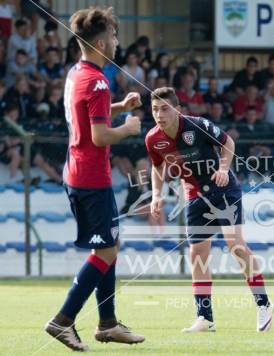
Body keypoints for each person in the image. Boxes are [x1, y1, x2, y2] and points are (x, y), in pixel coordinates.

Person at [44, 7, 145, 351]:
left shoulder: (78, 73)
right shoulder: (98, 80)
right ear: (102, 42)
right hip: (91, 177)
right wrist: (128, 127)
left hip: (78, 173)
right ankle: (63, 320)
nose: (117, 42)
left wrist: (118, 106)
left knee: (109, 247)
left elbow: (87, 114)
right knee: (106, 251)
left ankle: (108, 323)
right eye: (114, 37)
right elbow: (100, 136)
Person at [146, 87, 273, 333]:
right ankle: (205, 318)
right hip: (195, 195)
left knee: (235, 244)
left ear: (177, 110)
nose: (159, 114)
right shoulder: (153, 138)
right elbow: (157, 167)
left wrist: (224, 169)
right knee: (197, 254)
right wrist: (156, 195)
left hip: (223, 188)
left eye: (164, 108)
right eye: (154, 109)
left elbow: (229, 143)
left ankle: (263, 304)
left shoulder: (197, 125)